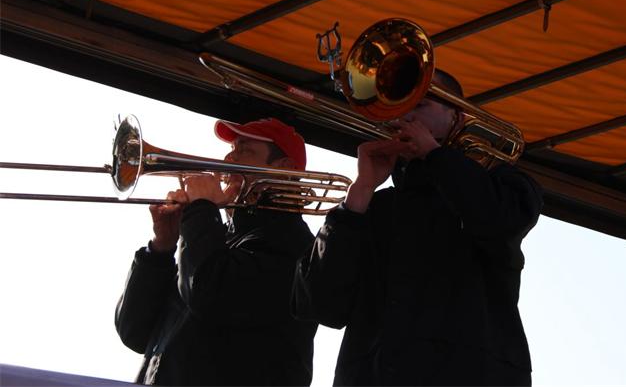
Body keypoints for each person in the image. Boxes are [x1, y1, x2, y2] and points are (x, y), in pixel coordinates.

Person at [292, 70, 543, 386]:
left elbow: (497, 221)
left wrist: (436, 156)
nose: (406, 116)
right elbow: (319, 305)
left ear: (457, 118)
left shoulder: (503, 183)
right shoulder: (373, 206)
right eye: (398, 108)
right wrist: (360, 192)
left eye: (421, 105)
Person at [115, 118, 317, 386]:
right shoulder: (214, 239)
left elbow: (209, 294)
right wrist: (160, 249)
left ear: (285, 169)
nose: (228, 159)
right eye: (231, 149)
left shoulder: (294, 245)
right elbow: (134, 332)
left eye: (244, 150)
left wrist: (201, 211)